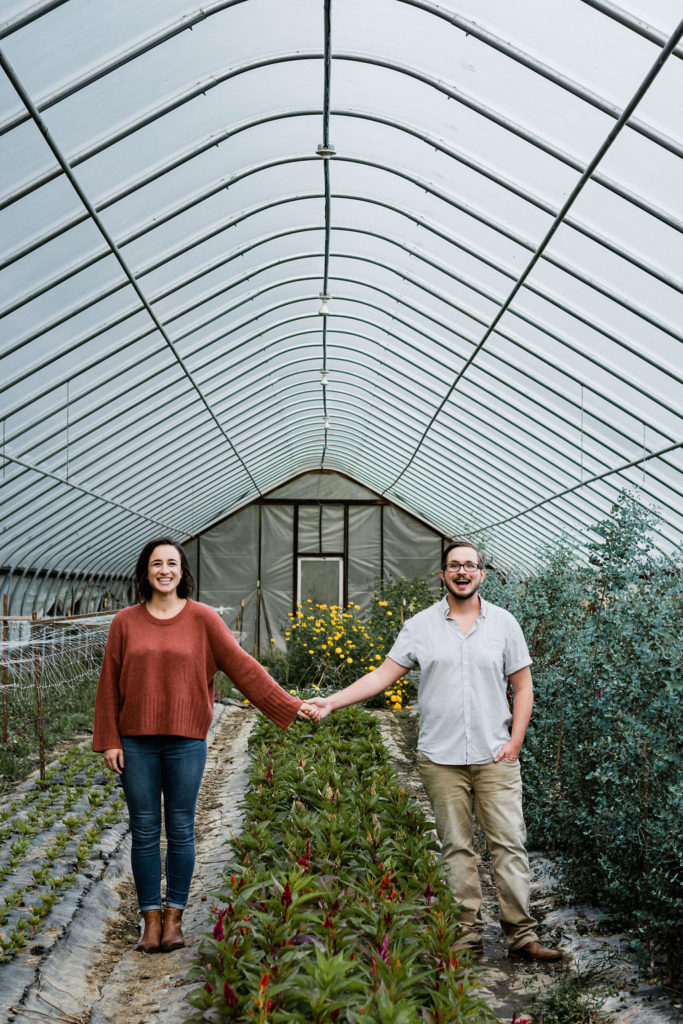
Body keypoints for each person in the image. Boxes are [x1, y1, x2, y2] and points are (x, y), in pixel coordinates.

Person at [309, 540, 561, 962]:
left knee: (509, 845)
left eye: (470, 565)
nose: (462, 572)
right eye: (454, 566)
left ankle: (521, 934)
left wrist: (515, 742)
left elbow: (523, 687)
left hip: (495, 755)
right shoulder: (421, 626)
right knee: (457, 847)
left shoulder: (503, 624)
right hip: (441, 759)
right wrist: (331, 701)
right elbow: (382, 676)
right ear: (443, 575)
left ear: (483, 573)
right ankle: (467, 934)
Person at [93, 537, 319, 954]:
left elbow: (243, 668)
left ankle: (175, 918)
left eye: (172, 563)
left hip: (186, 741)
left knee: (180, 828)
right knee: (144, 831)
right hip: (136, 742)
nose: (165, 570)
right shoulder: (125, 622)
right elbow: (108, 683)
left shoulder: (203, 620)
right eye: (156, 563)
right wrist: (108, 739)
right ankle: (150, 921)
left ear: (183, 571)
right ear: (145, 571)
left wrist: (290, 705)